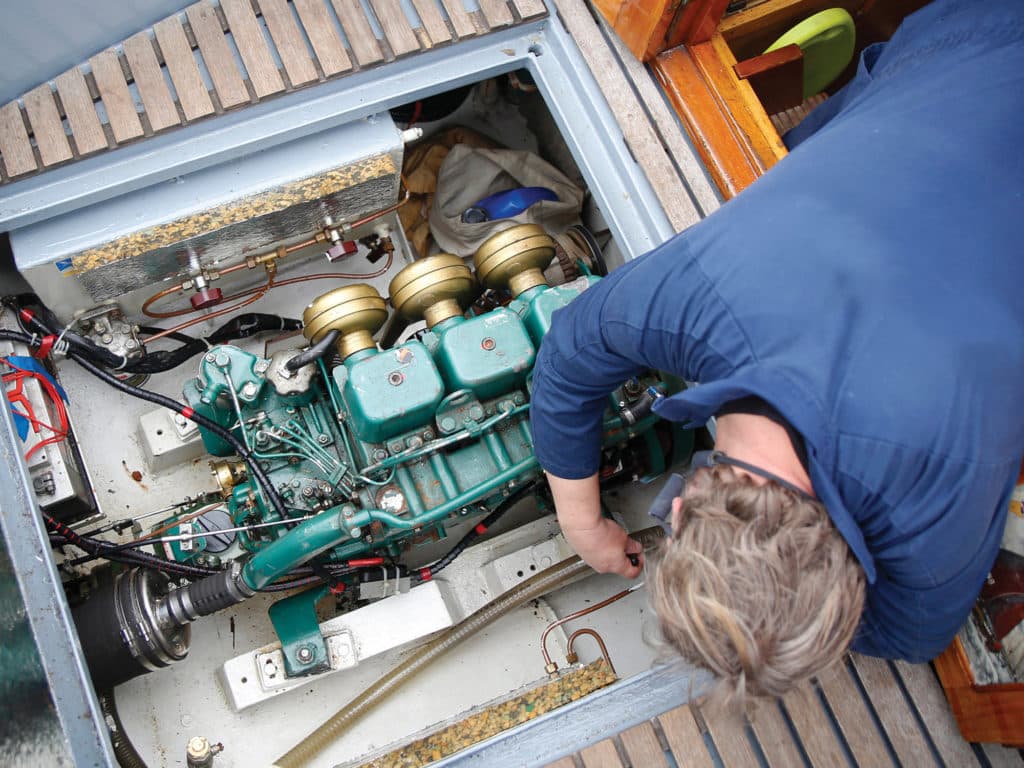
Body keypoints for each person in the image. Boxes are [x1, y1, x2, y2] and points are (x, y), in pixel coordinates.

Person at [529, 0, 1024, 700]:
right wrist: (582, 520)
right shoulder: (697, 298)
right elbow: (570, 353)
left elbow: (917, 633)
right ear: (681, 505)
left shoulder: (936, 477)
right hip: (966, 45)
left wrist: (798, 613)